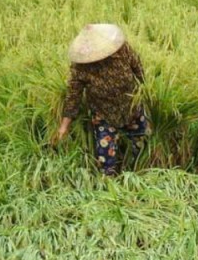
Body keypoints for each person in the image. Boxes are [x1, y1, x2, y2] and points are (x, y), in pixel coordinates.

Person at [51, 24, 150, 176]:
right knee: (106, 155)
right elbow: (73, 96)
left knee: (140, 145)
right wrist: (64, 127)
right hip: (103, 114)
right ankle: (110, 186)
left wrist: (147, 93)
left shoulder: (122, 50)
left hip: (131, 107)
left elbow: (138, 68)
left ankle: (140, 174)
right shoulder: (81, 66)